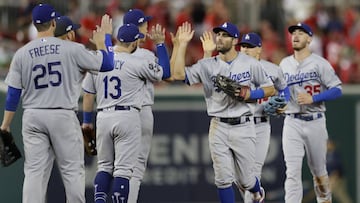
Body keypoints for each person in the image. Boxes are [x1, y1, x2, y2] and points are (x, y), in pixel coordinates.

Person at [0, 3, 114, 203]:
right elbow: (107, 64)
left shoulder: (22, 53)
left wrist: (5, 125)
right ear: (53, 22)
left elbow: (13, 94)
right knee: (72, 171)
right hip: (62, 114)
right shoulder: (72, 48)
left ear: (35, 25)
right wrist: (104, 38)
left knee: (34, 172)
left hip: (33, 116)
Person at [172, 21, 275, 203]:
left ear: (235, 40)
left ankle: (257, 191)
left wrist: (250, 93)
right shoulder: (207, 65)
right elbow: (179, 75)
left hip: (243, 124)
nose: (219, 38)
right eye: (218, 34)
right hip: (218, 125)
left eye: (225, 35)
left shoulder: (249, 63)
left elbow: (270, 89)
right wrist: (181, 45)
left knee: (246, 180)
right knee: (222, 179)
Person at [81, 23, 171, 203]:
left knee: (104, 167)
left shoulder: (100, 61)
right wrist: (160, 45)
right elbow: (165, 73)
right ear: (133, 43)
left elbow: (88, 94)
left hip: (103, 116)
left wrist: (87, 121)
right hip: (127, 116)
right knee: (123, 171)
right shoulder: (137, 62)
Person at [279, 22, 342, 203]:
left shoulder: (320, 63)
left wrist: (313, 98)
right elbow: (282, 90)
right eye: (293, 33)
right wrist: (280, 101)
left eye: (301, 33)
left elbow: (337, 89)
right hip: (292, 121)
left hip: (315, 120)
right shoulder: (284, 64)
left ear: (309, 38)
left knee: (319, 172)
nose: (296, 36)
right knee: (292, 172)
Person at [122, 8, 172, 203]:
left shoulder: (111, 55)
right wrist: (160, 44)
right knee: (136, 167)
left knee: (114, 167)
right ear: (136, 28)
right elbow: (166, 74)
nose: (147, 27)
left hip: (111, 113)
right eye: (144, 24)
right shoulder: (144, 55)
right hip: (139, 112)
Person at [237, 32, 289, 203]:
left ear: (259, 49)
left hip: (260, 124)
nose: (245, 50)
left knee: (253, 173)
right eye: (243, 46)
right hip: (238, 125)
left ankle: (253, 197)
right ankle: (257, 195)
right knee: (239, 178)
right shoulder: (233, 70)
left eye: (249, 47)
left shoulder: (272, 69)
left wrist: (283, 104)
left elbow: (284, 90)